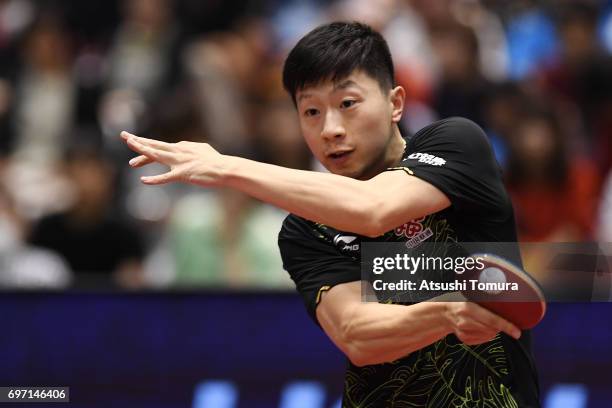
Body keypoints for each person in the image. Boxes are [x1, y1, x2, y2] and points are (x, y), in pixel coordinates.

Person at [121, 21, 540, 407]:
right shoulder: (305, 229)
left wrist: (227, 166)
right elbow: (357, 334)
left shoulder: (456, 143)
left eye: (348, 103)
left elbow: (373, 209)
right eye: (311, 112)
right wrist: (447, 311)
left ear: (395, 103)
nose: (330, 130)